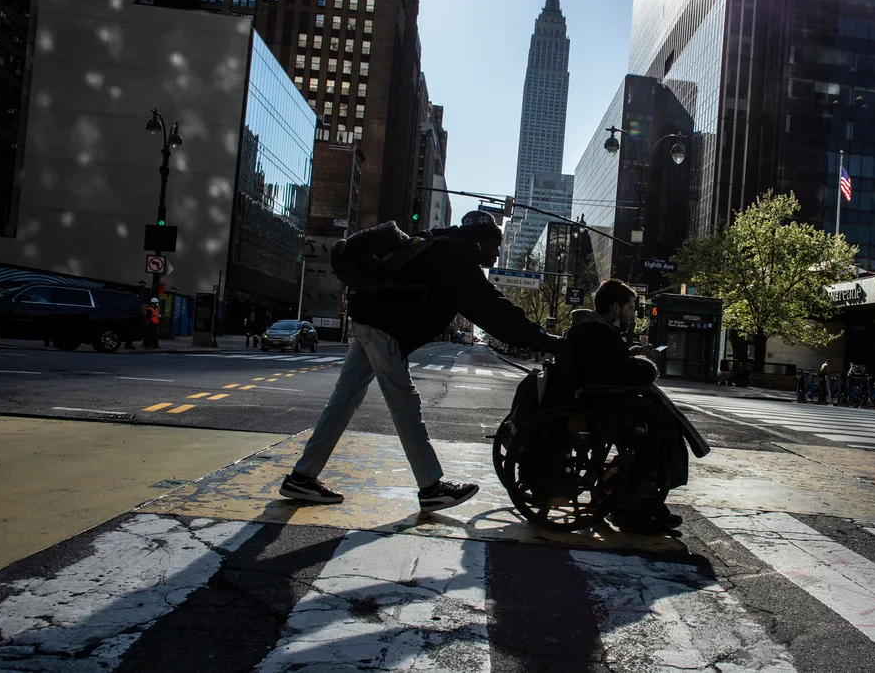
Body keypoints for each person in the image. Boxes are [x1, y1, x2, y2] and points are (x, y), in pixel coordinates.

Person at [279, 211, 562, 511]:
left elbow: (486, 306)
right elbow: (492, 309)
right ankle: (430, 486)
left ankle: (303, 476)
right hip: (384, 328)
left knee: (344, 399)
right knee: (404, 403)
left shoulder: (442, 244)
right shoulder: (456, 256)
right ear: (481, 240)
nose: (498, 252)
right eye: (496, 244)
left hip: (370, 319)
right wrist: (540, 338)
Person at [559, 279, 684, 533]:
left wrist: (630, 355)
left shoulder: (591, 330)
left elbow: (609, 367)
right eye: (630, 307)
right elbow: (622, 374)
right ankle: (636, 501)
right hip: (602, 407)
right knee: (659, 430)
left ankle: (631, 496)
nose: (632, 313)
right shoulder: (602, 332)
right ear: (616, 307)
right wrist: (645, 362)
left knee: (656, 421)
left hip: (592, 402)